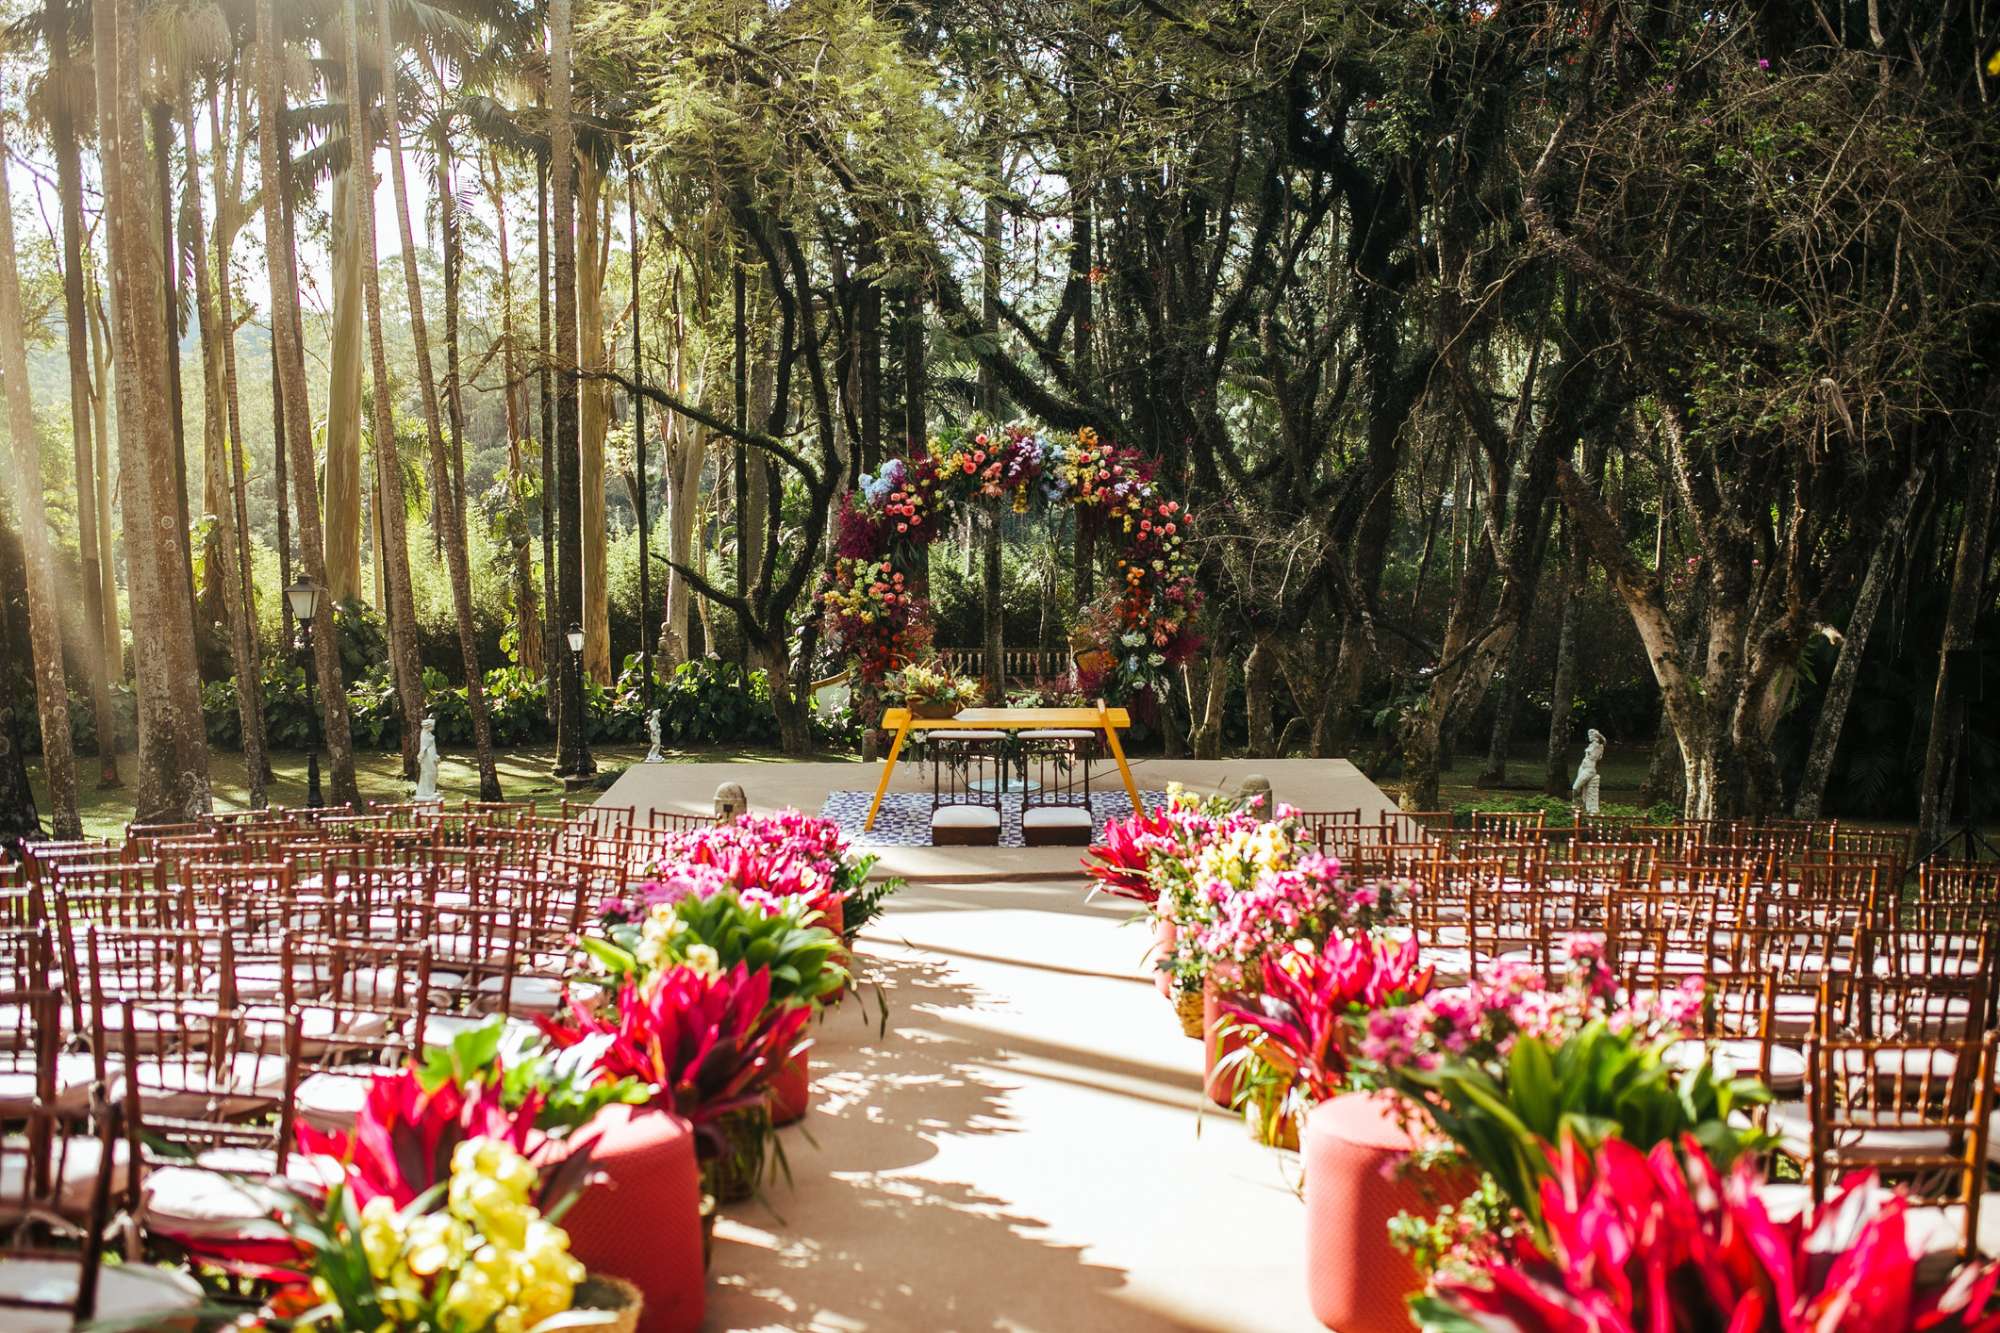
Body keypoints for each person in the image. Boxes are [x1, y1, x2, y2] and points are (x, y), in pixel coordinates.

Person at [1571, 728, 1605, 815]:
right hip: (1583, 767)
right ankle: (1580, 807)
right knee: (1583, 790)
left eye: (1591, 735)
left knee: (1575, 787)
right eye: (1588, 735)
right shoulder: (1591, 746)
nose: (1589, 737)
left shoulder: (1599, 746)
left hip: (1590, 769)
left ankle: (1576, 804)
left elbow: (1603, 742)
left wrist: (1598, 736)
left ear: (1596, 737)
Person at [414, 716, 442, 802]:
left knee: (433, 774)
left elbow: (431, 748)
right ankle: (427, 791)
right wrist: (420, 756)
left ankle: (430, 790)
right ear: (428, 726)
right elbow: (423, 748)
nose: (434, 727)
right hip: (427, 759)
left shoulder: (429, 735)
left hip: (431, 758)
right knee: (428, 774)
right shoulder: (425, 735)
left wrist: (436, 756)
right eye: (433, 725)